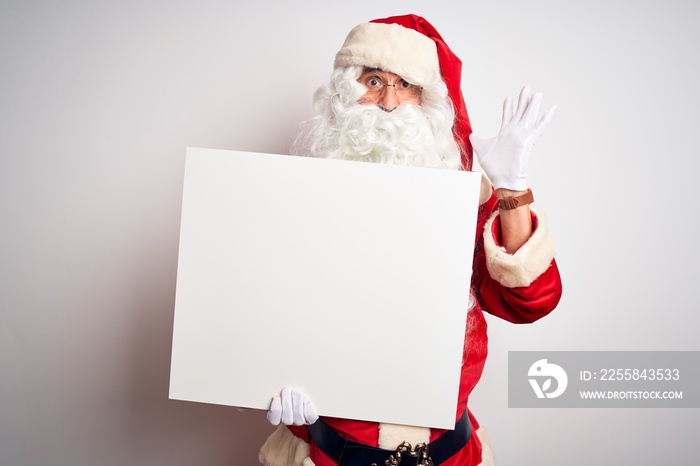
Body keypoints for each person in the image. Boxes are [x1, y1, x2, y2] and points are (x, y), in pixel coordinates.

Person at [258, 14, 562, 466]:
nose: (387, 101)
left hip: (447, 455)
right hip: (328, 456)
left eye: (406, 85)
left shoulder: (464, 203)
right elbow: (258, 315)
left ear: (428, 101)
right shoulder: (291, 200)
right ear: (345, 91)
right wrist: (267, 379)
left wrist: (510, 188)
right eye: (374, 80)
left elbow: (529, 303)